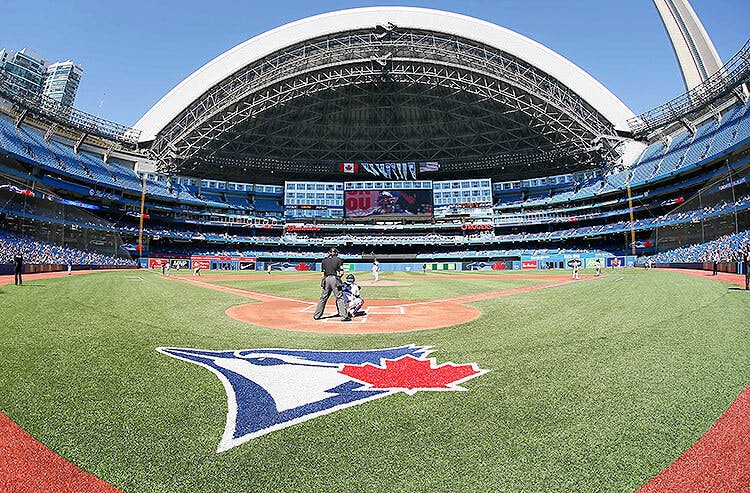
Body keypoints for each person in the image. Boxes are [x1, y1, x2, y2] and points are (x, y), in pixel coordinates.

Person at [313, 248, 350, 321]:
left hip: (326, 279)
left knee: (323, 298)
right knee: (339, 298)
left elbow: (322, 274)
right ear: (336, 253)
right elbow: (341, 272)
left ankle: (317, 315)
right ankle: (344, 316)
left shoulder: (324, 260)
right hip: (334, 279)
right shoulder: (339, 260)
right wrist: (338, 278)